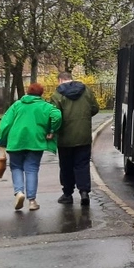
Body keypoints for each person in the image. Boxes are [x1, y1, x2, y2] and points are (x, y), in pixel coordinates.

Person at [0, 83, 62, 212]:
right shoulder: (45, 106)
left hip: (16, 141)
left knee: (16, 167)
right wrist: (52, 129)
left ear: (27, 92)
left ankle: (19, 192)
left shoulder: (17, 105)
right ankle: (32, 201)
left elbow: (6, 123)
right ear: (41, 94)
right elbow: (57, 115)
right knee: (32, 169)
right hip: (35, 142)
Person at [51, 71, 100, 206]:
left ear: (60, 80)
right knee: (82, 164)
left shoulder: (57, 95)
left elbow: (55, 116)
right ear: (70, 79)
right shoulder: (86, 91)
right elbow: (95, 108)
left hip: (65, 138)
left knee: (66, 166)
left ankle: (67, 194)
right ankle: (84, 192)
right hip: (84, 136)